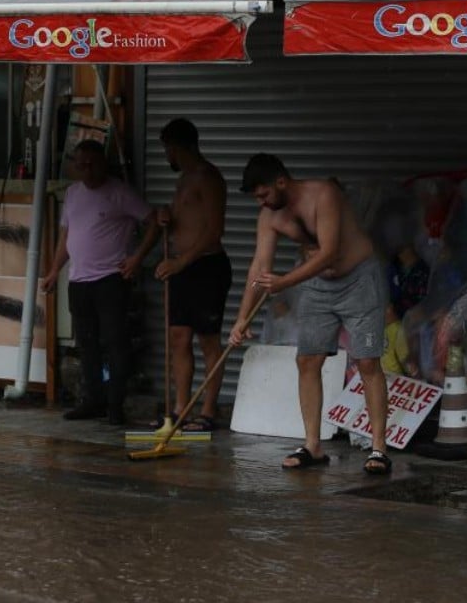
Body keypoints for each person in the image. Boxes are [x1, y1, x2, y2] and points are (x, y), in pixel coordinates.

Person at [229, 154, 391, 474]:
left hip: (358, 279)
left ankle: (379, 449)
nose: (261, 202)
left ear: (281, 181)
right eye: (257, 198)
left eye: (264, 194)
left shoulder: (323, 194)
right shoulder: (269, 216)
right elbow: (259, 268)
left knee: (367, 361)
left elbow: (329, 252)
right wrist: (242, 317)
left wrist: (284, 282)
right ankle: (313, 445)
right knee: (307, 360)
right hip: (318, 285)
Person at [41, 140, 158, 425]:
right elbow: (66, 236)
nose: (87, 170)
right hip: (78, 279)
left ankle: (115, 404)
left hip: (110, 279)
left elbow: (154, 221)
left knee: (115, 342)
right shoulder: (72, 193)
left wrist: (137, 258)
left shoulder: (119, 192)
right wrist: (55, 270)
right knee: (87, 343)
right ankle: (93, 400)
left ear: (103, 164)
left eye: (92, 164)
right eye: (81, 165)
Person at [152, 118, 232, 432]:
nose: (167, 156)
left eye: (168, 149)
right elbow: (186, 220)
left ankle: (208, 411)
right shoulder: (184, 179)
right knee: (178, 338)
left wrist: (181, 261)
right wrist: (166, 217)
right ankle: (180, 409)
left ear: (178, 147)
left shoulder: (207, 177)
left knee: (208, 340)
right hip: (182, 268)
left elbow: (214, 230)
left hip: (206, 267)